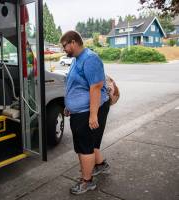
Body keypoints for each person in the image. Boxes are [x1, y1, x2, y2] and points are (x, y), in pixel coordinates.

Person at [60, 31, 110, 195]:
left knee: (85, 147)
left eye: (64, 46)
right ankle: (99, 166)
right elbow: (75, 85)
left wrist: (93, 115)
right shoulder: (77, 59)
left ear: (73, 42)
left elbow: (95, 87)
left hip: (87, 110)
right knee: (87, 144)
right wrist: (69, 106)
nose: (63, 49)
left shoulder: (90, 59)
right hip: (79, 110)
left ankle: (87, 182)